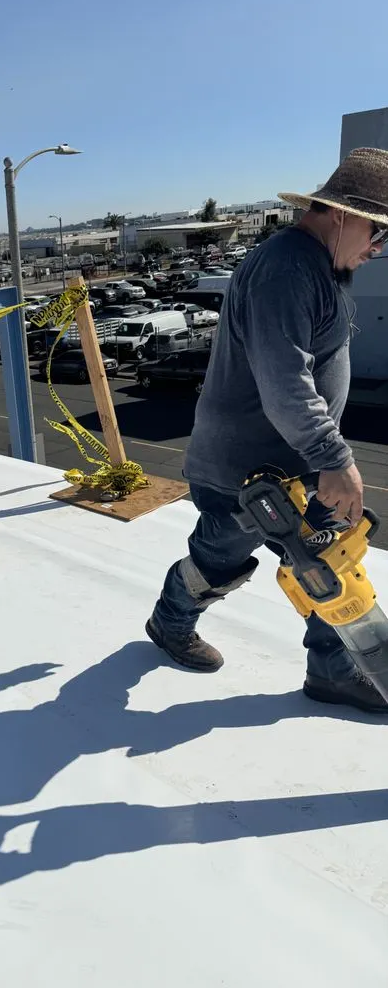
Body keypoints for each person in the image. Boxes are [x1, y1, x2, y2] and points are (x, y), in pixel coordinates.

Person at [146, 147, 388, 713]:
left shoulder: (319, 266)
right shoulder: (287, 269)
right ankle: (170, 622)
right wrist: (335, 457)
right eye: (378, 233)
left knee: (328, 564)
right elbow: (285, 382)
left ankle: (333, 672)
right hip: (245, 470)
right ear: (343, 215)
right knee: (217, 560)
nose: (378, 250)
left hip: (297, 463)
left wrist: (323, 459)